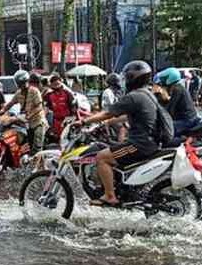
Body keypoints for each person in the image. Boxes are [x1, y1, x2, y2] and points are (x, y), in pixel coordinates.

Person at [76, 60, 162, 207]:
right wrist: (106, 123)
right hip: (149, 142)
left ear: (131, 78)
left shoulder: (133, 96)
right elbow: (125, 115)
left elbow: (107, 113)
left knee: (101, 157)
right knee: (111, 148)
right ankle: (120, 187)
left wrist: (84, 122)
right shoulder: (146, 94)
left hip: (139, 144)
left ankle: (110, 196)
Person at [0, 69, 48, 156]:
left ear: (27, 81)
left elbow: (39, 106)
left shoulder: (34, 91)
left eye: (23, 82)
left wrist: (30, 115)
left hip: (38, 121)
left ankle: (40, 165)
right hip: (27, 123)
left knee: (37, 145)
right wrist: (0, 113)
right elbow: (10, 104)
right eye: (19, 83)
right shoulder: (18, 93)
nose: (22, 85)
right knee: (29, 144)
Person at [153, 67, 198, 136]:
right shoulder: (178, 87)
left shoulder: (177, 89)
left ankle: (181, 141)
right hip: (184, 119)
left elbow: (169, 110)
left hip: (187, 121)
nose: (162, 82)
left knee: (162, 131)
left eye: (164, 78)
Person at [44, 73, 77, 138]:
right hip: (56, 121)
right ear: (51, 84)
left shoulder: (67, 93)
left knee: (67, 137)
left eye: (57, 82)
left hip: (67, 120)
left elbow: (74, 108)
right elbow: (45, 108)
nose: (56, 85)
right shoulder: (48, 95)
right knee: (58, 138)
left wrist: (73, 119)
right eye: (54, 83)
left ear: (61, 82)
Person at [101, 72, 127, 141]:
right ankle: (120, 145)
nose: (120, 83)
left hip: (114, 114)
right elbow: (113, 105)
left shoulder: (115, 91)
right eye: (118, 81)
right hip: (109, 115)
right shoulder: (108, 92)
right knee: (122, 129)